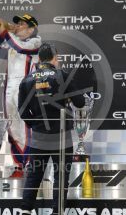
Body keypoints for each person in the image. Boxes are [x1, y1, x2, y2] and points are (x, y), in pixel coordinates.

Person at [18, 43, 85, 214]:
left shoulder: (27, 80)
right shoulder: (62, 75)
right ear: (55, 58)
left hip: (39, 135)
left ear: (39, 59)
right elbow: (80, 102)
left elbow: (22, 111)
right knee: (61, 176)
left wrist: (37, 125)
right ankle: (57, 211)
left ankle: (25, 211)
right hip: (62, 135)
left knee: (34, 175)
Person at [0, 14, 42, 177]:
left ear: (31, 29)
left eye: (22, 24)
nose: (17, 26)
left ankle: (30, 164)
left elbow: (21, 48)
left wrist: (6, 32)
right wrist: (2, 32)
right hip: (10, 91)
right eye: (16, 24)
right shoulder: (12, 43)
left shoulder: (35, 42)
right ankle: (19, 166)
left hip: (27, 91)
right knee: (12, 129)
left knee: (26, 129)